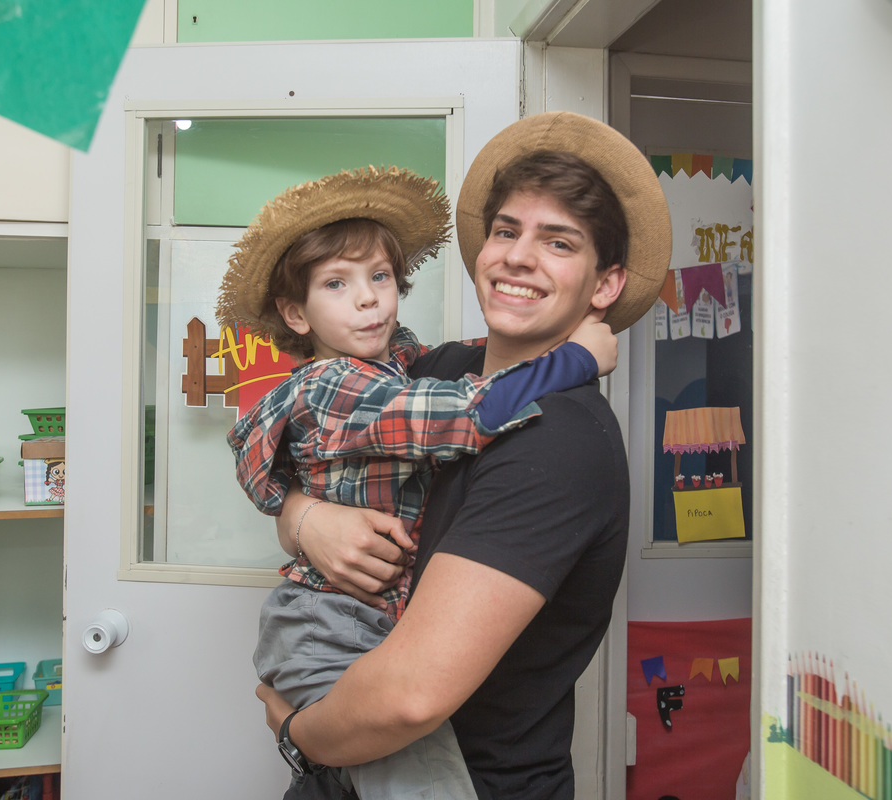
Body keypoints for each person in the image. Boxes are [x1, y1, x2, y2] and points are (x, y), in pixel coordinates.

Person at [255, 112, 673, 800]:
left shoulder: (562, 441)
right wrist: (306, 520)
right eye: (506, 231)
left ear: (604, 286)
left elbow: (411, 697)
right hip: (350, 765)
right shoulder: (429, 371)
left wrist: (298, 735)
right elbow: (311, 454)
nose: (518, 256)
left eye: (558, 242)